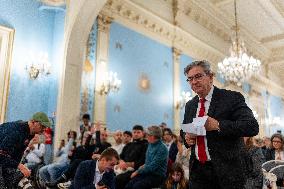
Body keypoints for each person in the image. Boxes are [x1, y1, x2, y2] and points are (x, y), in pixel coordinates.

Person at [182, 60, 259, 189]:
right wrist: (186, 137)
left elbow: (251, 126)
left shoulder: (231, 98)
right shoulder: (190, 105)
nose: (194, 82)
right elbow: (184, 129)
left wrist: (218, 125)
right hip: (198, 171)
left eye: (198, 76)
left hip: (227, 171)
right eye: (190, 79)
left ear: (211, 77)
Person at [0, 112, 51, 188]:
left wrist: (19, 169)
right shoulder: (16, 131)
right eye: (42, 126)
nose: (44, 129)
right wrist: (20, 167)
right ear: (33, 122)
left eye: (45, 127)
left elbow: (17, 155)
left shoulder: (30, 133)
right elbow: (1, 156)